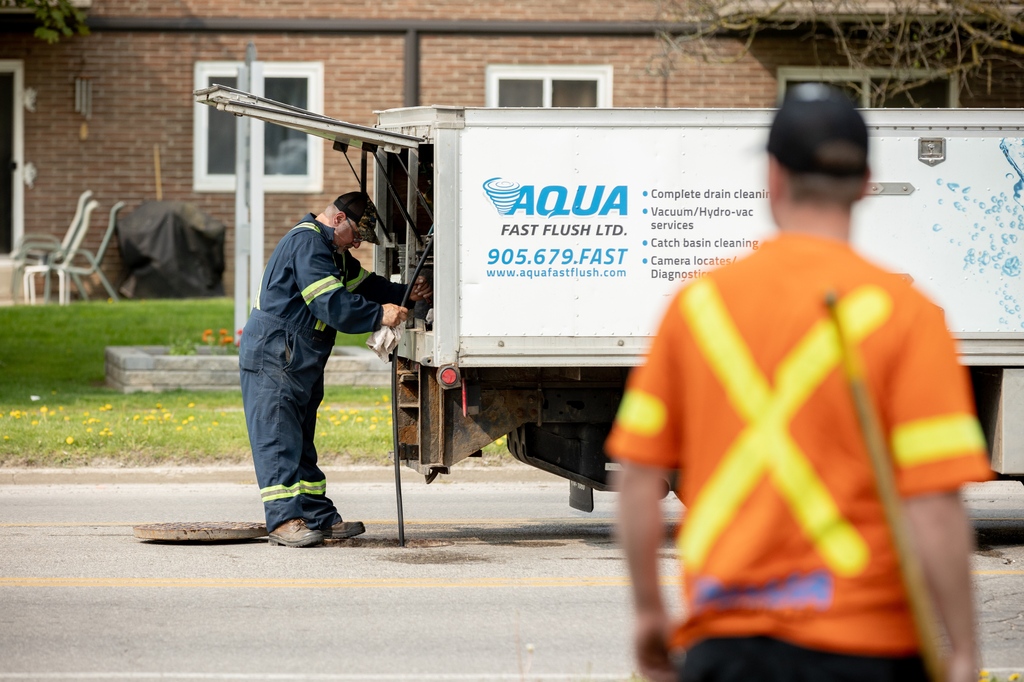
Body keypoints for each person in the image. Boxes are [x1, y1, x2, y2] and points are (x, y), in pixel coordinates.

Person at [607, 84, 992, 682]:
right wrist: (963, 649)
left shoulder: (698, 307)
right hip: (868, 648)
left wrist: (650, 616)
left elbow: (637, 480)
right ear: (865, 184)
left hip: (728, 646)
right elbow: (934, 504)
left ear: (774, 178)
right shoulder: (909, 315)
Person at [240, 191, 431, 548]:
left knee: (299, 438)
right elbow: (330, 303)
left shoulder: (333, 252)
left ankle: (316, 515)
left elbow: (368, 286)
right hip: (277, 351)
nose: (357, 244)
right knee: (278, 436)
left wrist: (407, 294)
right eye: (357, 236)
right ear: (339, 219)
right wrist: (379, 314)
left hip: (297, 354)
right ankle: (283, 521)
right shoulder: (308, 243)